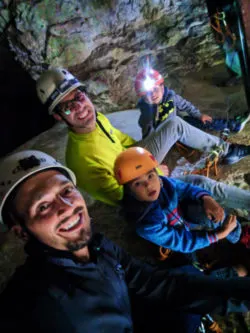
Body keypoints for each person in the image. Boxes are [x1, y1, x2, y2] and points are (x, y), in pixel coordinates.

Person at [1, 149, 250, 333]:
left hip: (130, 310)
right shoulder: (52, 312)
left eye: (66, 191)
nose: (66, 208)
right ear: (21, 232)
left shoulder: (96, 246)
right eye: (43, 206)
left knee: (184, 276)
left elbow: (156, 283)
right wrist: (216, 236)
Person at [35, 67, 250, 211]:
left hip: (136, 162)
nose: (80, 107)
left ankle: (226, 150)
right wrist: (153, 171)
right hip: (138, 190)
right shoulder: (81, 160)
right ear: (59, 117)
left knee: (173, 124)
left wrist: (148, 155)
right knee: (200, 184)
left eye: (79, 97)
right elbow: (125, 197)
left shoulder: (97, 119)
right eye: (67, 107)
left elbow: (124, 141)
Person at [114, 147, 249, 256]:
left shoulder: (163, 184)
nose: (149, 185)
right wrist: (220, 235)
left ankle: (239, 232)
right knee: (186, 258)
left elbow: (186, 189)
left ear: (157, 174)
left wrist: (206, 198)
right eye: (138, 184)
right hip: (177, 234)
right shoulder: (146, 223)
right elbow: (182, 242)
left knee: (212, 212)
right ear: (129, 192)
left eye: (150, 176)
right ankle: (239, 236)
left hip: (181, 216)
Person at [135, 67, 250, 140]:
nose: (152, 95)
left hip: (178, 125)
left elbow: (186, 105)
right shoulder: (146, 114)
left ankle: (233, 125)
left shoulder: (170, 97)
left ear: (161, 86)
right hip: (166, 136)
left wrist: (199, 115)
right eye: (147, 94)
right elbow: (147, 134)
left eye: (155, 89)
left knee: (205, 121)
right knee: (198, 139)